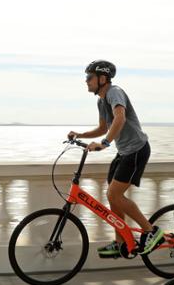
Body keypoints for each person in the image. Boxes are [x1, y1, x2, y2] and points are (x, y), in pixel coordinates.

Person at [68, 60, 164, 258]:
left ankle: (152, 232)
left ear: (102, 79)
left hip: (137, 149)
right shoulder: (101, 100)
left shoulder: (114, 92)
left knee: (114, 195)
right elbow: (104, 127)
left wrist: (104, 144)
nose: (86, 81)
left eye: (89, 77)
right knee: (113, 196)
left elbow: (119, 117)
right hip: (124, 152)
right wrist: (80, 135)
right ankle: (121, 243)